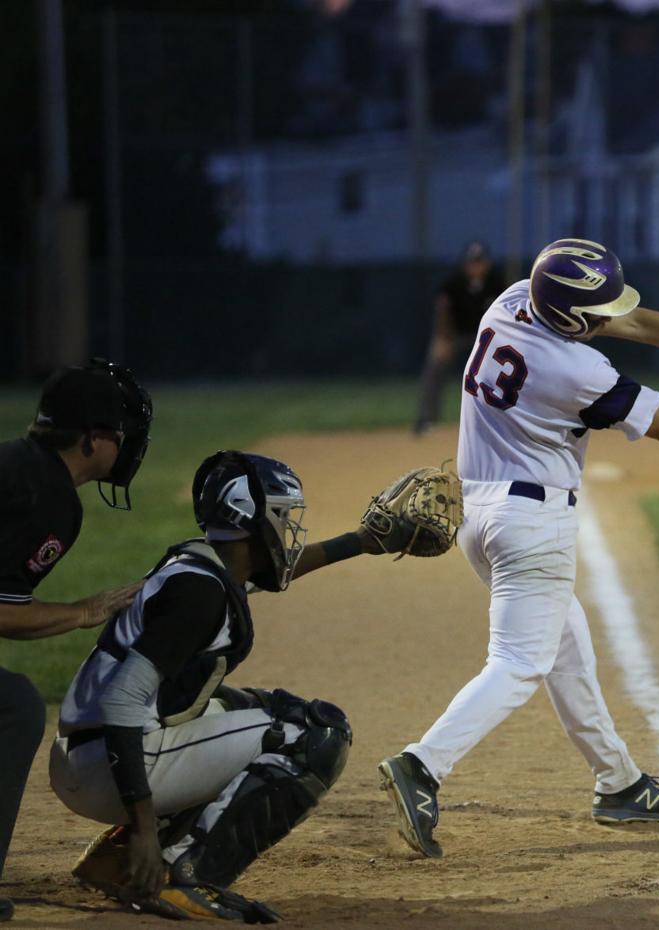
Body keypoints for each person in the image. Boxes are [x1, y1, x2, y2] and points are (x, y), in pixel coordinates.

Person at [379, 238, 659, 858]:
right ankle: (422, 766)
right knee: (520, 663)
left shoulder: (512, 300)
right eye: (597, 310)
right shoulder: (578, 371)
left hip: (478, 512)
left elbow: (635, 320)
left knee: (566, 649)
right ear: (573, 316)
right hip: (531, 526)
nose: (610, 318)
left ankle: (619, 783)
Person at [49, 450, 390, 922]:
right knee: (312, 736)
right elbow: (122, 700)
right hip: (112, 763)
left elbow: (267, 577)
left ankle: (116, 860)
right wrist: (145, 826)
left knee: (254, 706)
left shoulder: (200, 567)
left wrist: (362, 541)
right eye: (281, 513)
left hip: (88, 754)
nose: (288, 526)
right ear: (251, 518)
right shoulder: (200, 594)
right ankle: (183, 872)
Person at [0, 359, 153, 923]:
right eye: (120, 435)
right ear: (92, 440)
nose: (128, 445)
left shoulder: (19, 466)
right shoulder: (48, 497)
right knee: (13, 708)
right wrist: (83, 611)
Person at [414, 240, 508, 435]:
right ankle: (426, 419)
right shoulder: (453, 283)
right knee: (435, 365)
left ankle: (503, 420)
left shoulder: (497, 282)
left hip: (488, 337)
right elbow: (442, 312)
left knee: (503, 370)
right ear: (465, 263)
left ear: (487, 263)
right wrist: (442, 339)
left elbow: (507, 315)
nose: (475, 266)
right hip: (455, 334)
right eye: (472, 262)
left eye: (479, 262)